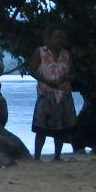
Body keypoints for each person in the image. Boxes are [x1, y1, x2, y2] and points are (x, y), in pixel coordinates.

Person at [28, 27, 76, 159]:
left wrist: (65, 78)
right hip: (45, 93)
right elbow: (32, 70)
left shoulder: (66, 55)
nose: (59, 40)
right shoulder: (40, 52)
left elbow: (73, 74)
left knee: (61, 128)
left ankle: (57, 156)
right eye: (56, 37)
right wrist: (46, 81)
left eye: (61, 38)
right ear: (48, 39)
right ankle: (37, 156)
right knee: (40, 128)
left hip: (63, 94)